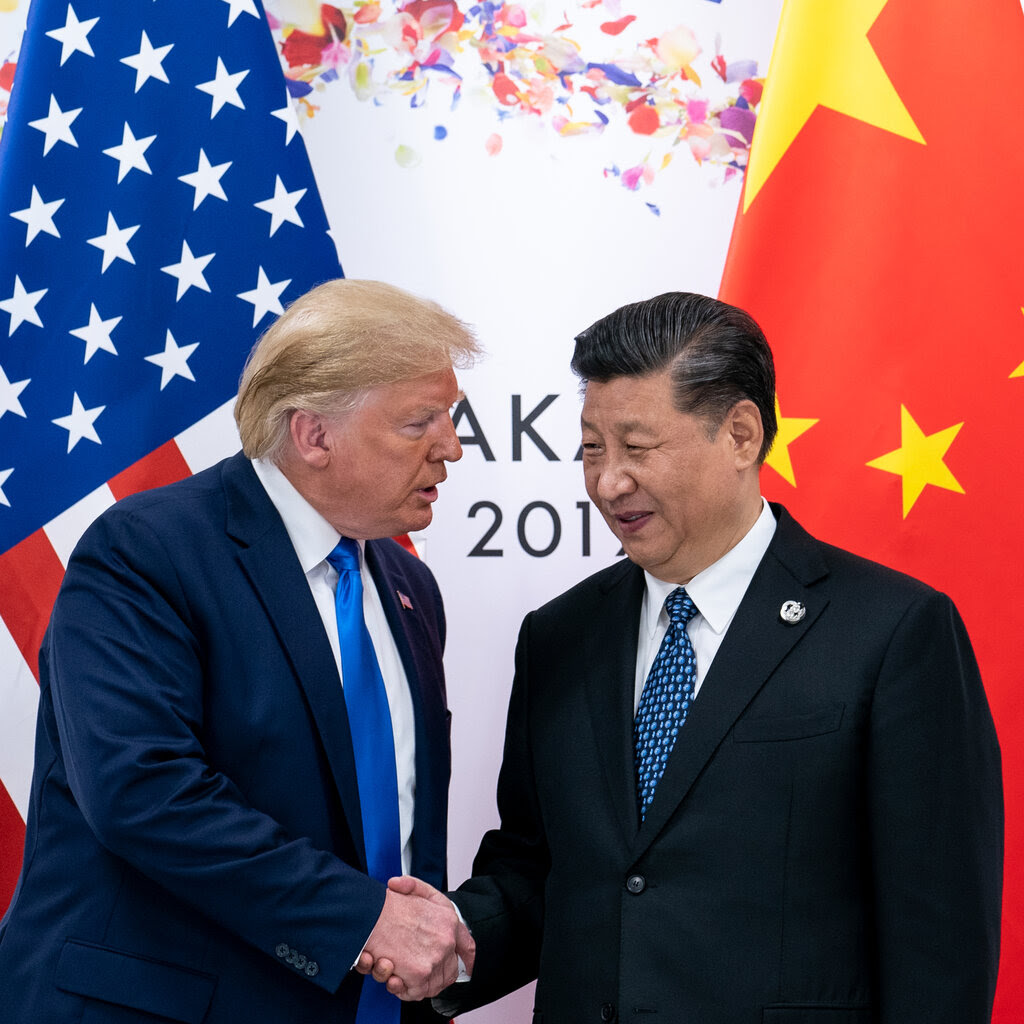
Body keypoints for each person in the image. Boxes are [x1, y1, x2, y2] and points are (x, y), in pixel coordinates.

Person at [377, 291, 1004, 1022]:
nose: (608, 482)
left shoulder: (894, 631)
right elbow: (539, 872)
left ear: (741, 435)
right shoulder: (559, 635)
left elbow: (939, 941)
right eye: (591, 448)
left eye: (637, 449)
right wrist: (448, 942)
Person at [0, 278, 479, 1023]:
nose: (451, 446)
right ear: (313, 435)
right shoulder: (147, 552)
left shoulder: (409, 588)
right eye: (421, 422)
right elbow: (142, 791)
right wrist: (361, 921)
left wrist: (422, 962)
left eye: (448, 419)